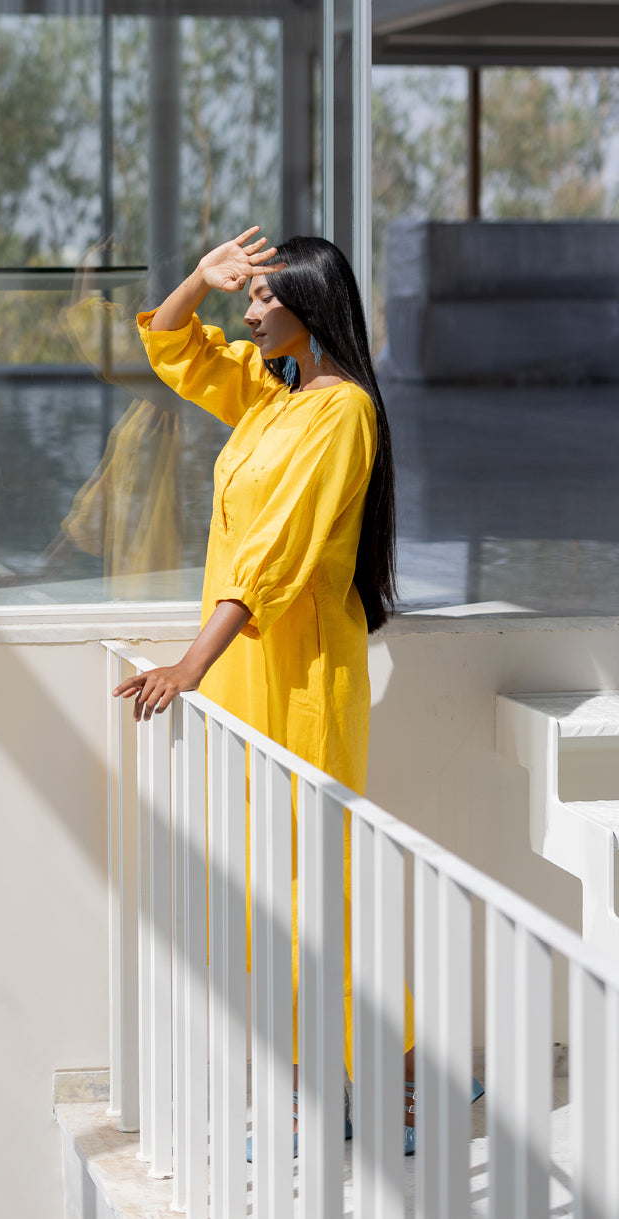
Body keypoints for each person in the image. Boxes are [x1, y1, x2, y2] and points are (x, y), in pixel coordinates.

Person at [112, 226, 442, 1155]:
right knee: (277, 880)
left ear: (312, 307)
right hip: (249, 667)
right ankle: (382, 1068)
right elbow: (174, 349)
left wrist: (189, 662)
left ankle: (377, 1077)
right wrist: (198, 277)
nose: (248, 311)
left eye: (263, 298)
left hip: (299, 677)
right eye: (248, 298)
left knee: (312, 885)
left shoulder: (343, 417)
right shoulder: (274, 399)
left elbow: (278, 560)